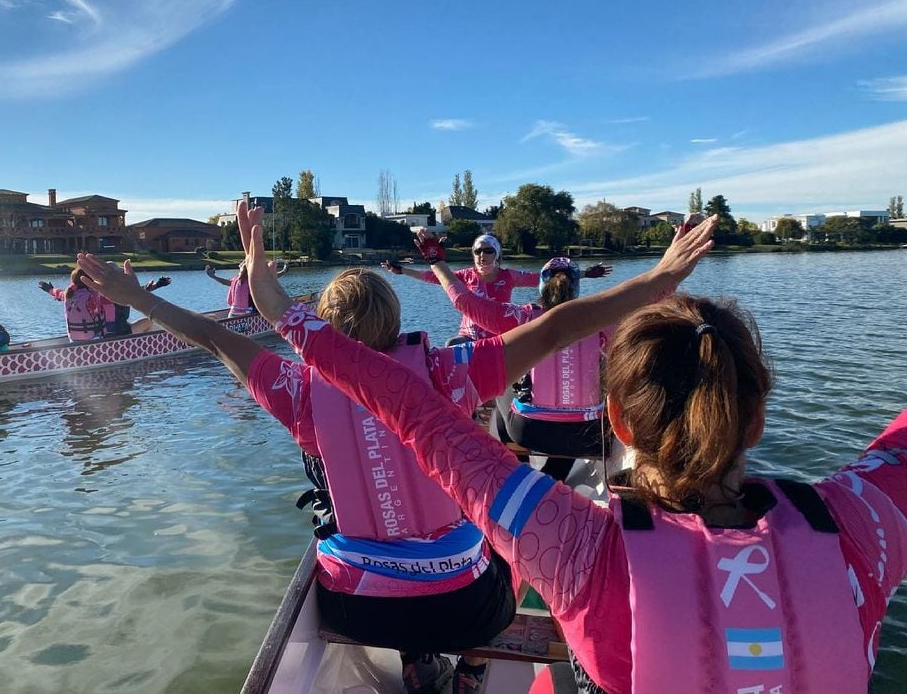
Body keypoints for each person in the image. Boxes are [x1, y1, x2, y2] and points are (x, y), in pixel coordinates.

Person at [241, 210, 907, 694]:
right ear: (754, 419)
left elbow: (409, 409)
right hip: (543, 429)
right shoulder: (862, 528)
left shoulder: (573, 550)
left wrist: (285, 313)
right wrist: (654, 286)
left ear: (617, 417)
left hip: (523, 441)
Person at [75, 207, 715, 694]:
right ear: (393, 324)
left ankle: (412, 666)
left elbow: (211, 335)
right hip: (465, 608)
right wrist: (659, 279)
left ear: (326, 330)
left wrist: (136, 299)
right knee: (505, 541)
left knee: (391, 559)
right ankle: (468, 668)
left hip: (357, 608)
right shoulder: (446, 373)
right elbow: (561, 324)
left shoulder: (298, 391)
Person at [430, 249, 619, 481]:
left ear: (541, 284)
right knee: (585, 411)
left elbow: (463, 301)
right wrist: (673, 265)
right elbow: (653, 297)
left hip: (529, 431)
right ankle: (554, 474)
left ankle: (519, 470)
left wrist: (436, 261)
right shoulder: (601, 320)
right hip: (587, 434)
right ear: (576, 287)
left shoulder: (521, 317)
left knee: (504, 381)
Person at [382, 233, 610, 342]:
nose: (482, 256)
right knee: (451, 345)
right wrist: (402, 271)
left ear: (497, 254)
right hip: (469, 337)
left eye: (488, 251)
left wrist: (585, 274)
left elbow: (541, 278)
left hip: (499, 335)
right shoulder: (464, 275)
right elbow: (433, 277)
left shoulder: (508, 276)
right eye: (478, 251)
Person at [38, 270, 170, 340]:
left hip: (74, 340)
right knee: (150, 321)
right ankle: (154, 345)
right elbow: (131, 294)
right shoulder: (98, 295)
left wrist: (49, 289)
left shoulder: (69, 294)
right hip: (106, 338)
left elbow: (58, 293)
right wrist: (155, 286)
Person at [206, 261, 286, 317]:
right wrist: (283, 271)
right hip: (246, 315)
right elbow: (269, 278)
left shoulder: (236, 279)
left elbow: (225, 282)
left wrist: (213, 276)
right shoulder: (252, 280)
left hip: (232, 314)